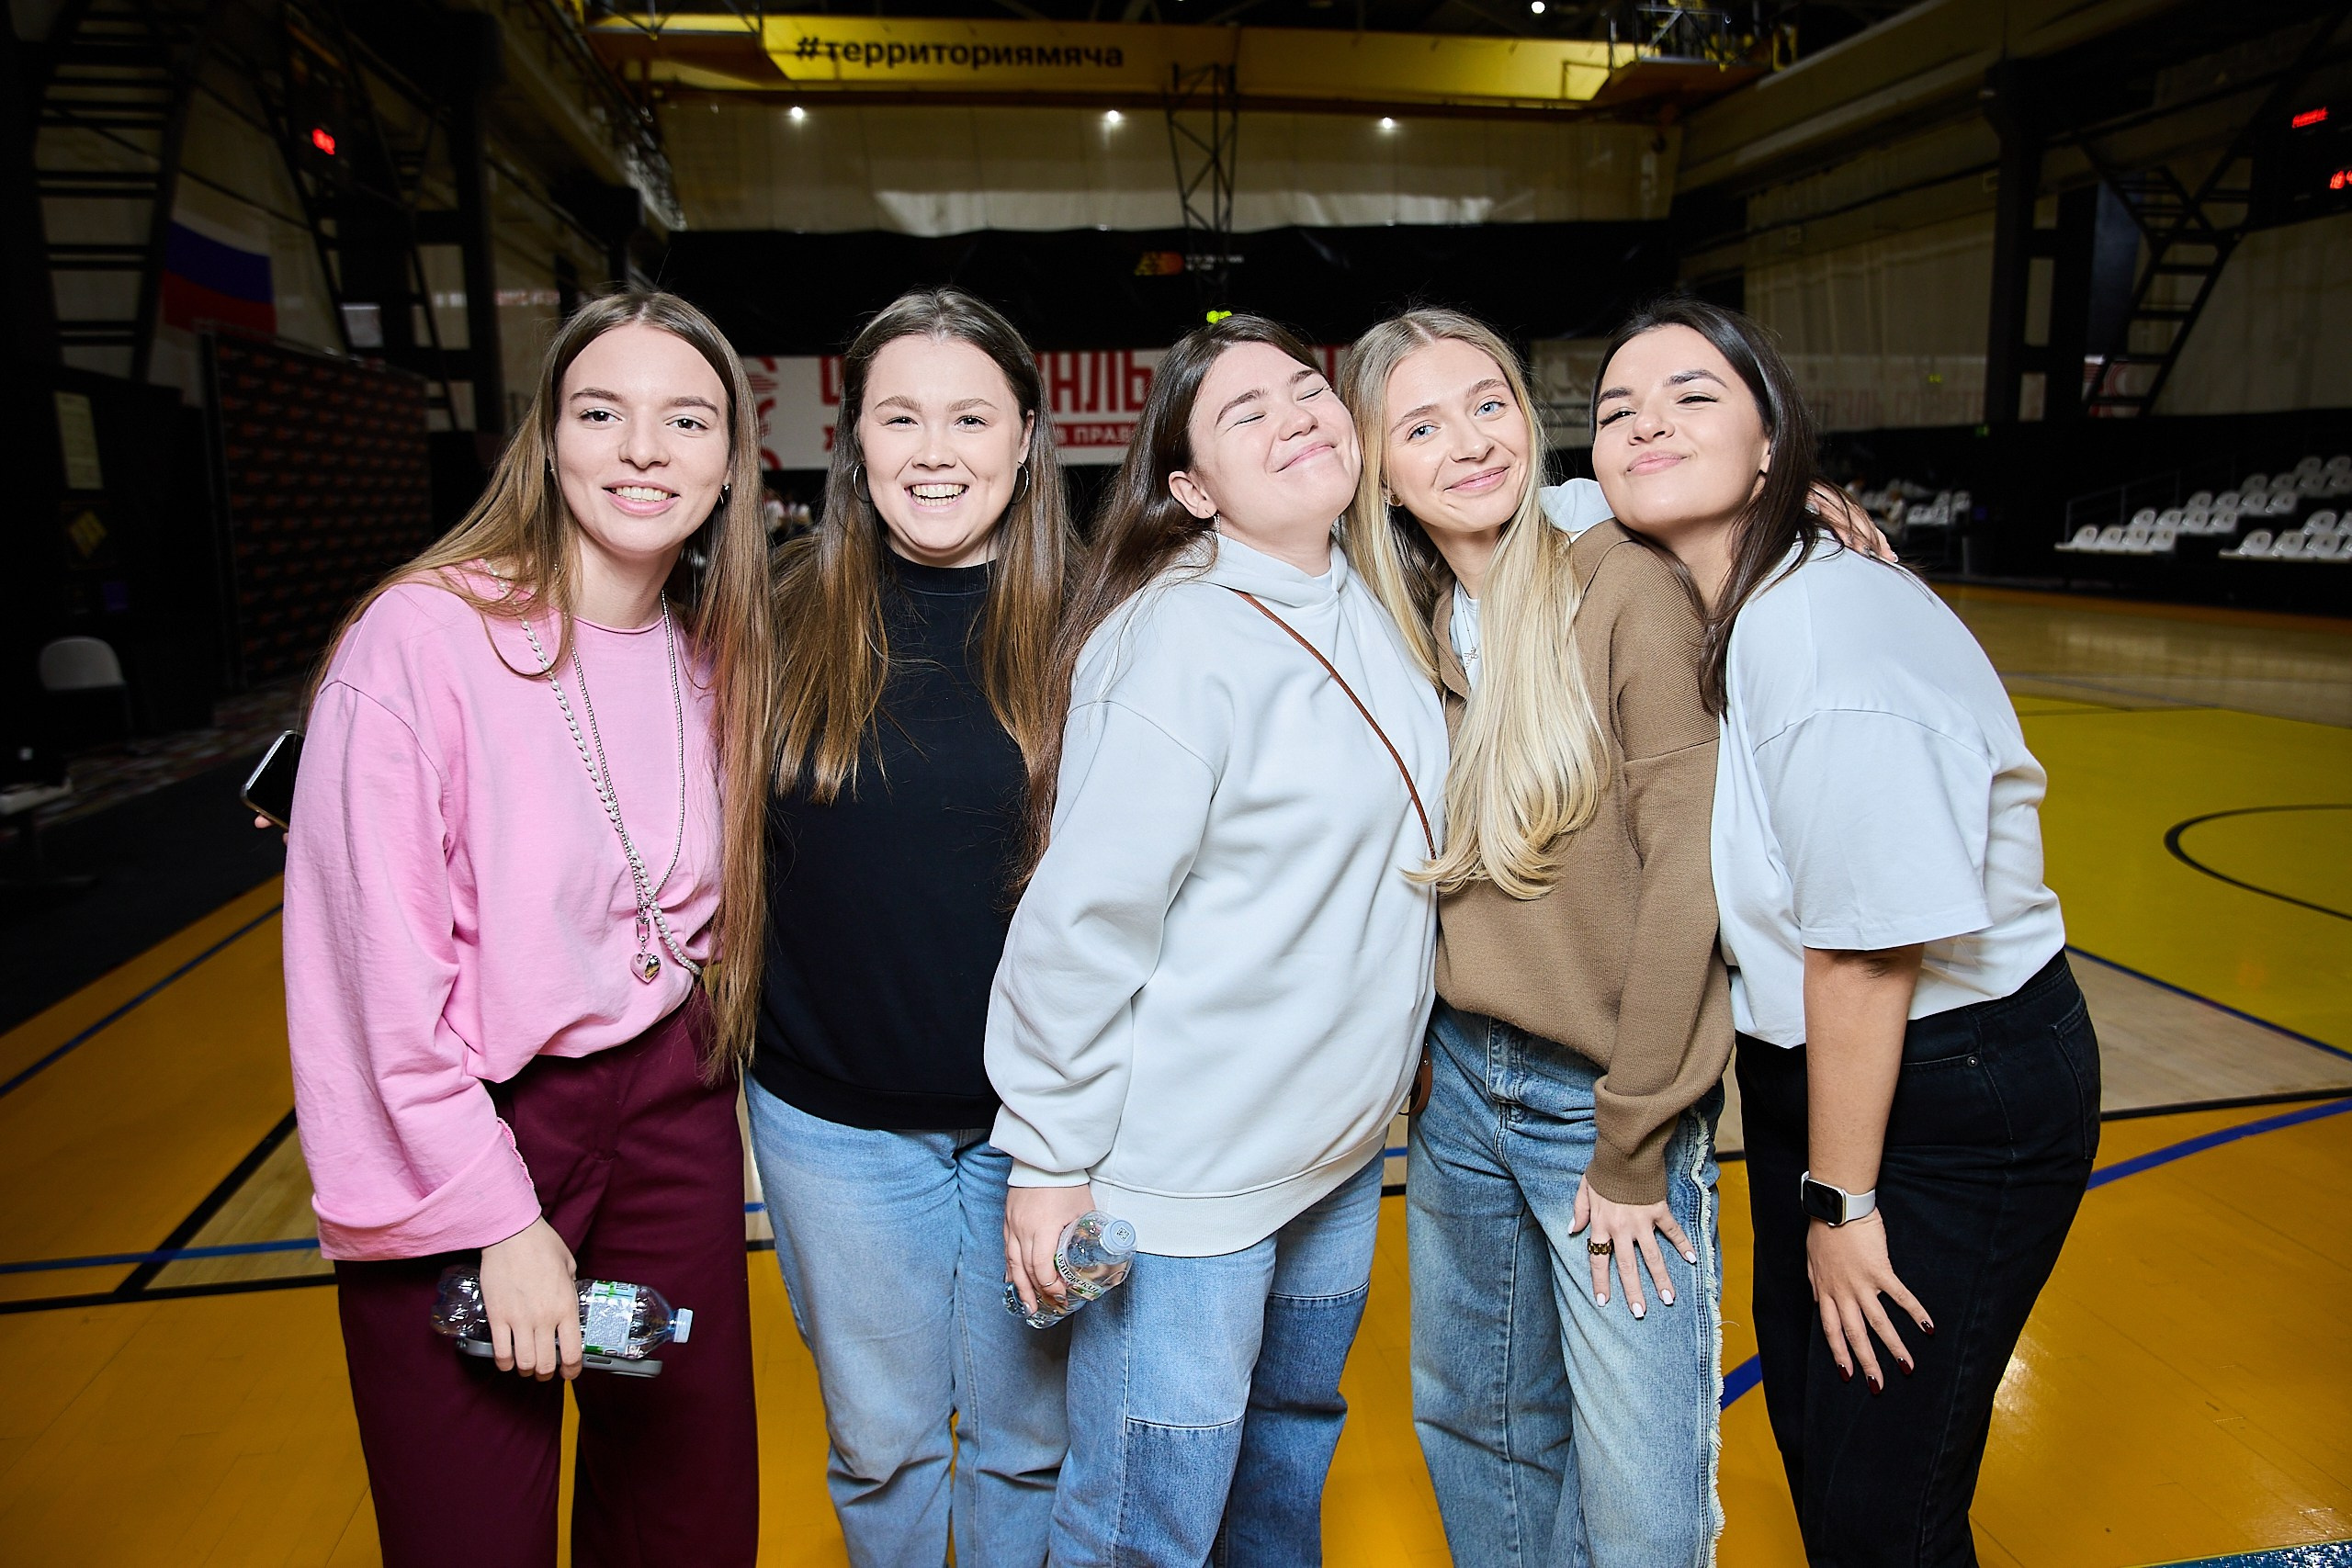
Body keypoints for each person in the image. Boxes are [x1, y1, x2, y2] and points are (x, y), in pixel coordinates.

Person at [1589, 297, 2094, 1567]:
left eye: (1693, 396)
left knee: (1883, 1508)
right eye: (1616, 410)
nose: (1648, 422)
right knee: (1826, 1444)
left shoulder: (1820, 629)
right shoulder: (1731, 579)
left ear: (1773, 445)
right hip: (1829, 1080)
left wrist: (1844, 1202)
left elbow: (1867, 955)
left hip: (1940, 1088)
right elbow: (1513, 504)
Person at [281, 289, 774, 1566]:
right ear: (549, 442)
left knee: (690, 1513)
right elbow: (374, 981)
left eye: (687, 420)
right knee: (471, 1529)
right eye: (602, 413)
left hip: (667, 1114)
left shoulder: (710, 655)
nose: (644, 449)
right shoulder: (422, 639)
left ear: (730, 464)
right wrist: (500, 1222)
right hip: (472, 1128)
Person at [991, 313, 1445, 1567]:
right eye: (1249, 414)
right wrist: (1048, 1155)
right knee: (1149, 1514)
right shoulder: (1177, 638)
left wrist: (1786, 503)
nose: (1298, 414)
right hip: (1189, 1185)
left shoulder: (1381, 590)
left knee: (1284, 1459)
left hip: (1335, 1152)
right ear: (1191, 490)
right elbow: (1083, 922)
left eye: (1308, 391)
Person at [1341, 308, 1731, 1568]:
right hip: (1460, 1096)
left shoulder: (1621, 585)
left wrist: (1633, 1140)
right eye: (1421, 424)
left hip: (1603, 1107)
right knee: (1479, 1429)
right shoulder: (1395, 623)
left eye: (1489, 403)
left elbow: (1690, 879)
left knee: (1637, 1491)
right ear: (1377, 468)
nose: (1468, 443)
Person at [751, 288, 1077, 1568]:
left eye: (968, 417)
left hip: (1044, 1136)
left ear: (1028, 438)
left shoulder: (1101, 623)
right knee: (881, 1449)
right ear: (855, 443)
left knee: (1027, 1450)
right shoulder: (770, 617)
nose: (934, 451)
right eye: (901, 417)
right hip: (834, 1128)